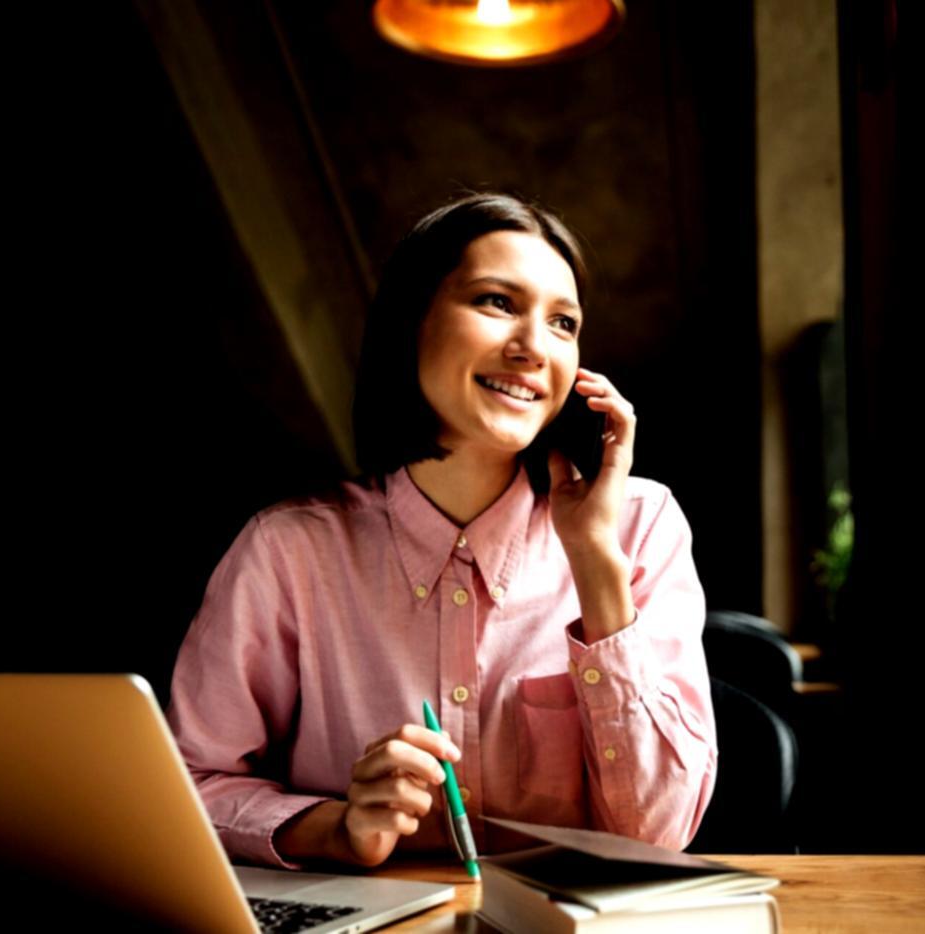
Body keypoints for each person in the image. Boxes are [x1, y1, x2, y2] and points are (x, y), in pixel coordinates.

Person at [167, 193, 715, 869]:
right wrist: (334, 828)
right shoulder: (290, 549)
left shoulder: (642, 525)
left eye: (563, 323)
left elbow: (656, 836)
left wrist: (597, 561)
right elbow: (190, 785)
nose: (532, 348)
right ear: (412, 322)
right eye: (495, 302)